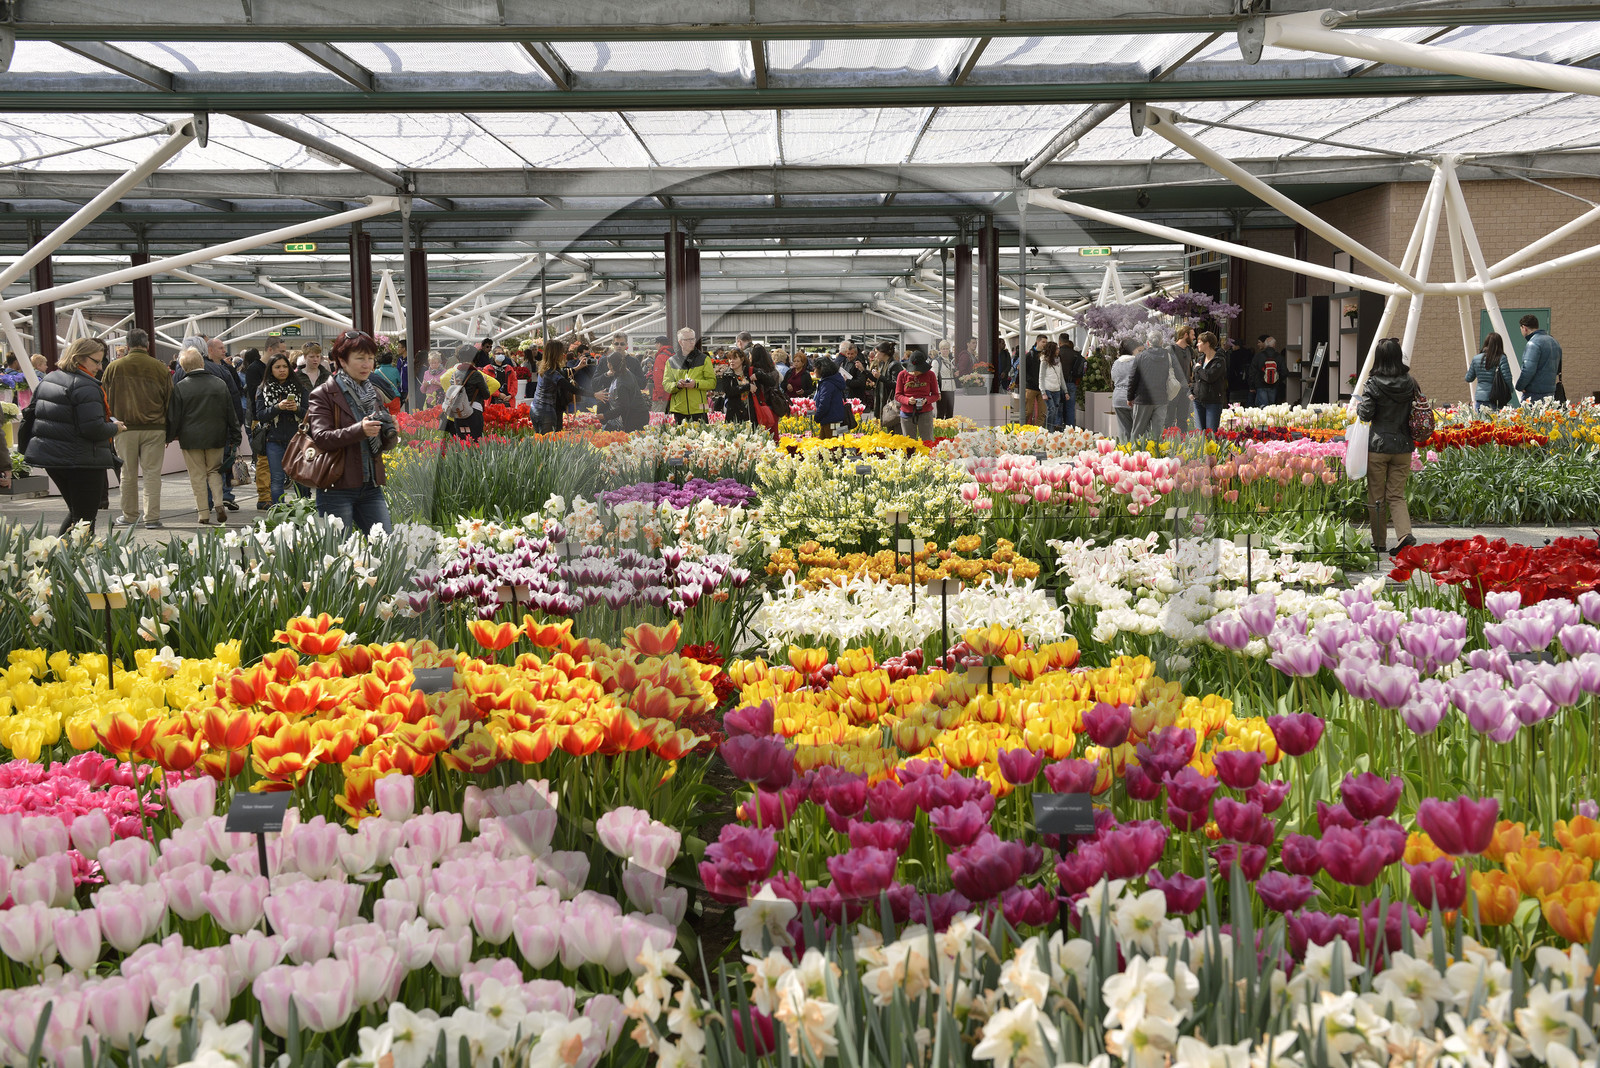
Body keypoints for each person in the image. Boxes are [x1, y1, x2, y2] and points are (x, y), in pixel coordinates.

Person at [21, 337, 120, 534]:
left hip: (53, 459)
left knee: (77, 516)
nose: (100, 367)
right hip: (82, 461)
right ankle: (72, 561)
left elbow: (30, 415)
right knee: (84, 521)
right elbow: (93, 429)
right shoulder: (86, 386)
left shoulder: (49, 379)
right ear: (78, 359)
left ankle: (58, 557)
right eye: (96, 361)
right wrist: (116, 428)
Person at [305, 331, 399, 535]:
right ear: (342, 360)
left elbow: (380, 443)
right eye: (360, 358)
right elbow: (321, 437)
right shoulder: (323, 394)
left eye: (370, 358)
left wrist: (389, 432)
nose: (368, 364)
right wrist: (360, 430)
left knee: (387, 546)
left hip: (370, 486)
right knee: (340, 554)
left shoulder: (371, 393)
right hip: (336, 487)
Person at [100, 328, 170, 529]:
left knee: (127, 473)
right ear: (147, 344)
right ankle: (152, 518)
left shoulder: (114, 367)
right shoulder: (159, 368)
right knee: (152, 474)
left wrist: (110, 423)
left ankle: (130, 516)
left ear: (128, 345)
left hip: (124, 428)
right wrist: (168, 429)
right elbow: (169, 400)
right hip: (155, 428)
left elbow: (104, 397)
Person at [1357, 338, 1420, 554]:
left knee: (1376, 496)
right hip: (1403, 446)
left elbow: (1366, 414)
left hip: (1378, 447)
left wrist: (1360, 406)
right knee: (1396, 494)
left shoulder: (1373, 383)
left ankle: (1379, 542)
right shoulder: (1410, 382)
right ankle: (1404, 534)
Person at [167, 347, 237, 527]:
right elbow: (230, 412)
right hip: (216, 436)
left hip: (190, 439)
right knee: (214, 471)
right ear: (201, 362)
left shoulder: (180, 387)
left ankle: (203, 513)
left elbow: (174, 416)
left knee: (197, 475)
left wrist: (168, 437)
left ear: (183, 367)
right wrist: (236, 436)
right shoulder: (219, 383)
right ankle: (219, 503)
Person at [253, 351, 308, 507]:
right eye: (277, 367)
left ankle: (303, 507)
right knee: (277, 478)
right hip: (274, 439)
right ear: (271, 369)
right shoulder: (263, 389)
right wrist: (277, 407)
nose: (282, 370)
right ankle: (279, 510)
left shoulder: (299, 387)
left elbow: (309, 413)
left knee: (299, 477)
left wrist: (296, 409)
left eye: (285, 366)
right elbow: (261, 415)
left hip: (296, 439)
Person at [1128, 337, 1179, 443]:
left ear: (1147, 343)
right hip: (1161, 399)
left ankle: (1136, 456)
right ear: (1161, 343)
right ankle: (1155, 456)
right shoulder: (1168, 356)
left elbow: (1133, 378)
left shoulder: (1140, 356)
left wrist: (1130, 397)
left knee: (1138, 432)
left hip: (1143, 399)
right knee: (1157, 433)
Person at [665, 327, 716, 424]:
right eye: (687, 340)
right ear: (680, 342)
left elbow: (712, 383)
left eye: (693, 339)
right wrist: (677, 385)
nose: (692, 342)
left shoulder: (704, 359)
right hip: (679, 410)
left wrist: (696, 384)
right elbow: (666, 384)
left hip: (700, 409)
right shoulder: (671, 361)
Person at [443, 345, 491, 440]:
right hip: (474, 412)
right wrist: (484, 383)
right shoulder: (476, 374)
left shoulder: (454, 374)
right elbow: (486, 395)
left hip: (459, 413)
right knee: (475, 441)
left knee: (462, 441)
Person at [594, 347, 648, 431]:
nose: (607, 364)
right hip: (639, 414)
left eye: (607, 363)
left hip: (635, 418)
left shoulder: (621, 383)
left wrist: (605, 416)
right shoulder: (625, 372)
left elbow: (623, 407)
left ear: (611, 365)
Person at [895, 349, 940, 441]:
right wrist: (907, 400)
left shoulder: (930, 375)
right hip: (907, 413)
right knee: (909, 443)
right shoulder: (902, 375)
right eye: (913, 370)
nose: (915, 373)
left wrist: (926, 400)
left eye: (918, 370)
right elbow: (898, 395)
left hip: (925, 412)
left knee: (927, 441)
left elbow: (936, 395)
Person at [531, 340, 575, 434]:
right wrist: (594, 394)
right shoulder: (552, 373)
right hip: (546, 412)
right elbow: (571, 388)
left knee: (540, 441)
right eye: (561, 352)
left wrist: (576, 368)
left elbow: (563, 373)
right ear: (556, 354)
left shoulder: (544, 368)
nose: (563, 354)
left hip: (535, 408)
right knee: (549, 443)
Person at [1465, 332, 1518, 410]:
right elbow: (1507, 377)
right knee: (1495, 421)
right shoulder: (1501, 358)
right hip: (1496, 397)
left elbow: (1468, 378)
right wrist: (1510, 390)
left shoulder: (1476, 358)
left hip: (1480, 398)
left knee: (1480, 421)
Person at [1515, 315, 1561, 403]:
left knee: (1530, 416)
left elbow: (1528, 369)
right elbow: (1558, 367)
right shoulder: (1554, 341)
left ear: (1524, 328)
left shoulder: (1533, 343)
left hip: (1534, 393)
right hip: (1550, 392)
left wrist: (1520, 386)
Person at [1191, 332, 1229, 433]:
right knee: (1200, 434)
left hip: (1213, 401)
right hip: (1198, 400)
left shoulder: (1219, 360)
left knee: (1210, 433)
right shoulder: (1200, 359)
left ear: (1207, 343)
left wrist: (1198, 369)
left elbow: (1210, 377)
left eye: (1199, 342)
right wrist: (1192, 392)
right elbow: (1196, 379)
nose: (1197, 344)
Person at [812, 356, 850, 439]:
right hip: (836, 419)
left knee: (831, 447)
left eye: (815, 368)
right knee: (834, 444)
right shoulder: (835, 379)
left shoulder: (827, 384)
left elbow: (824, 403)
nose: (814, 371)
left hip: (829, 419)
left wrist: (817, 417)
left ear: (821, 369)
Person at [1058, 335, 1084, 429]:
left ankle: (1058, 431)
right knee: (1070, 409)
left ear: (1059, 342)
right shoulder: (1076, 354)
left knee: (1058, 408)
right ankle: (1070, 431)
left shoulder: (1057, 353)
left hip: (1058, 384)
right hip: (1071, 383)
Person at [1249, 335, 1281, 408]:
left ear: (1265, 344)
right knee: (1271, 408)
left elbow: (1252, 372)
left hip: (1261, 385)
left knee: (1263, 408)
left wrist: (1252, 386)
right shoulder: (1278, 356)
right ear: (1274, 345)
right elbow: (1284, 372)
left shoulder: (1258, 356)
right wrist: (1277, 380)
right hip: (1274, 386)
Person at [1040, 342, 1065, 431]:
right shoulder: (1044, 362)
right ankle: (1049, 430)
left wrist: (1065, 391)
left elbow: (1061, 377)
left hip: (1057, 389)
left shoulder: (1058, 361)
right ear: (1052, 350)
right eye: (1057, 348)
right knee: (1052, 409)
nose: (1058, 350)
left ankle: (1051, 428)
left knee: (1056, 410)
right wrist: (1043, 392)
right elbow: (1041, 377)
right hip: (1047, 389)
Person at [933, 340, 957, 420]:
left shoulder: (951, 361)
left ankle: (949, 431)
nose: (945, 351)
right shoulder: (936, 361)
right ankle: (939, 431)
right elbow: (934, 378)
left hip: (951, 390)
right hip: (942, 390)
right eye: (943, 348)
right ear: (940, 349)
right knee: (940, 414)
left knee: (950, 414)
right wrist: (938, 392)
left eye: (947, 348)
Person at [648, 334, 674, 410]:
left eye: (655, 344)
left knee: (658, 419)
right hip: (673, 394)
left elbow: (659, 378)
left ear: (659, 344)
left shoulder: (661, 357)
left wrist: (660, 395)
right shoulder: (674, 355)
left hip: (662, 396)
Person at [1225, 337, 1252, 407]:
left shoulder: (1233, 355)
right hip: (1246, 383)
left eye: (1232, 346)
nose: (1231, 348)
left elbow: (1231, 370)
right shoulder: (1249, 354)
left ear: (1237, 345)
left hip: (1235, 383)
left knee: (1234, 404)